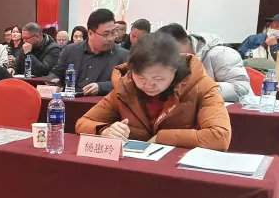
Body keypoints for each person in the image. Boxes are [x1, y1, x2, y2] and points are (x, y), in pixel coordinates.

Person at [75, 32, 231, 150]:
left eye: (158, 78)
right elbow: (83, 123)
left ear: (175, 70)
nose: (149, 84)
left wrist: (161, 138)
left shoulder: (201, 85)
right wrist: (105, 131)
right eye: (141, 77)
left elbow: (220, 137)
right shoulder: (126, 86)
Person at [158, 24, 252, 102]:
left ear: (183, 43)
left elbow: (241, 88)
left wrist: (200, 89)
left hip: (234, 112)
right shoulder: (177, 61)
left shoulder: (221, 54)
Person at [47, 9, 129, 96]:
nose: (110, 38)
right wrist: (54, 80)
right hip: (70, 101)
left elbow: (128, 83)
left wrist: (101, 87)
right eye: (105, 34)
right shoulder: (71, 50)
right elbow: (56, 73)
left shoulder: (123, 55)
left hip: (101, 103)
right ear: (90, 34)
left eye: (113, 33)